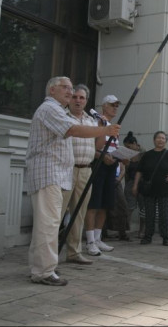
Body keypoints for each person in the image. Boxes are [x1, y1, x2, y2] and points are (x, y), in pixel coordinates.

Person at [26, 76, 119, 286]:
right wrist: (105, 130)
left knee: (47, 223)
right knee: (49, 223)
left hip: (56, 174)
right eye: (65, 88)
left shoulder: (57, 110)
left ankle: (39, 266)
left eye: (71, 88)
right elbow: (73, 130)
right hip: (48, 174)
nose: (69, 91)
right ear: (51, 90)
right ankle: (44, 271)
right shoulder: (50, 109)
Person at [60, 84, 100, 265]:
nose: (77, 100)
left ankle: (74, 252)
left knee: (79, 213)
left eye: (81, 98)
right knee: (57, 214)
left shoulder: (92, 121)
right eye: (75, 97)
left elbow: (97, 146)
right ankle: (50, 254)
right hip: (66, 169)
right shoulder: (62, 117)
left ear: (86, 100)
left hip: (86, 170)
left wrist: (106, 129)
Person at [84, 95, 121, 256]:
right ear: (104, 106)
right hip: (98, 165)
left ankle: (98, 237)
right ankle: (90, 240)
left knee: (105, 204)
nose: (115, 108)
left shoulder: (111, 125)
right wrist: (102, 156)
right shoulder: (98, 121)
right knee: (94, 203)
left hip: (111, 165)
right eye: (112, 105)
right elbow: (93, 146)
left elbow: (113, 147)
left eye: (117, 105)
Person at [134, 131, 168, 246]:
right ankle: (148, 236)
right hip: (149, 189)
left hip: (165, 189)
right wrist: (135, 185)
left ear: (166, 141)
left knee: (164, 214)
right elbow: (139, 171)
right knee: (149, 214)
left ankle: (166, 237)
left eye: (163, 138)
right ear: (154, 140)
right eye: (158, 138)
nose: (160, 140)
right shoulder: (147, 155)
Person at [118, 132, 144, 239]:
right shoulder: (127, 155)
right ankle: (123, 231)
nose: (127, 149)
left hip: (143, 184)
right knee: (128, 207)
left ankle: (142, 231)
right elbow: (125, 170)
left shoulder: (144, 154)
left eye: (128, 146)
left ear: (135, 144)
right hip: (130, 183)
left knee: (143, 209)